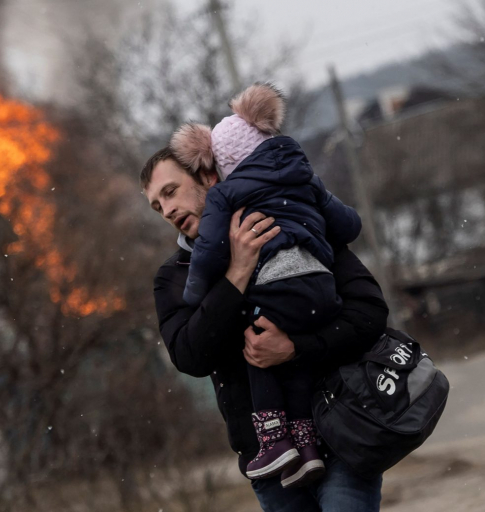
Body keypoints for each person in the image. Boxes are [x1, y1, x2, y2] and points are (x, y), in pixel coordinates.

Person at [142, 146, 388, 511]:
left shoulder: (291, 220)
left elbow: (369, 312)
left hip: (341, 436)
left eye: (170, 191)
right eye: (156, 206)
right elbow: (190, 355)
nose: (167, 210)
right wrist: (237, 273)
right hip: (270, 460)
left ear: (208, 178)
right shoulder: (176, 275)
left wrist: (297, 347)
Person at [168, 83, 363, 485]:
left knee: (255, 340)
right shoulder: (305, 178)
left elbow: (208, 250)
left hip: (278, 288)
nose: (167, 209)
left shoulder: (226, 194)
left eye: (170, 194)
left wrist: (195, 290)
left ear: (216, 166)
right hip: (322, 291)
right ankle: (306, 444)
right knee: (289, 352)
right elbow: (349, 224)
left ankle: (276, 441)